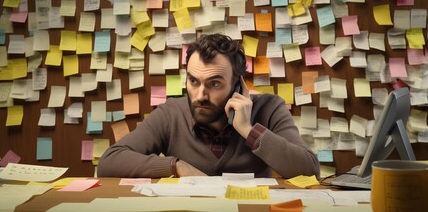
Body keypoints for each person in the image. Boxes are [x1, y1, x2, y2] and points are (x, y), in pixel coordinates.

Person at [98, 33, 320, 178]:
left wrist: (248, 130)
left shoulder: (269, 108)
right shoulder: (172, 113)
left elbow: (309, 170)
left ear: (237, 85)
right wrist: (175, 166)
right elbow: (109, 161)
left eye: (214, 83)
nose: (200, 95)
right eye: (193, 81)